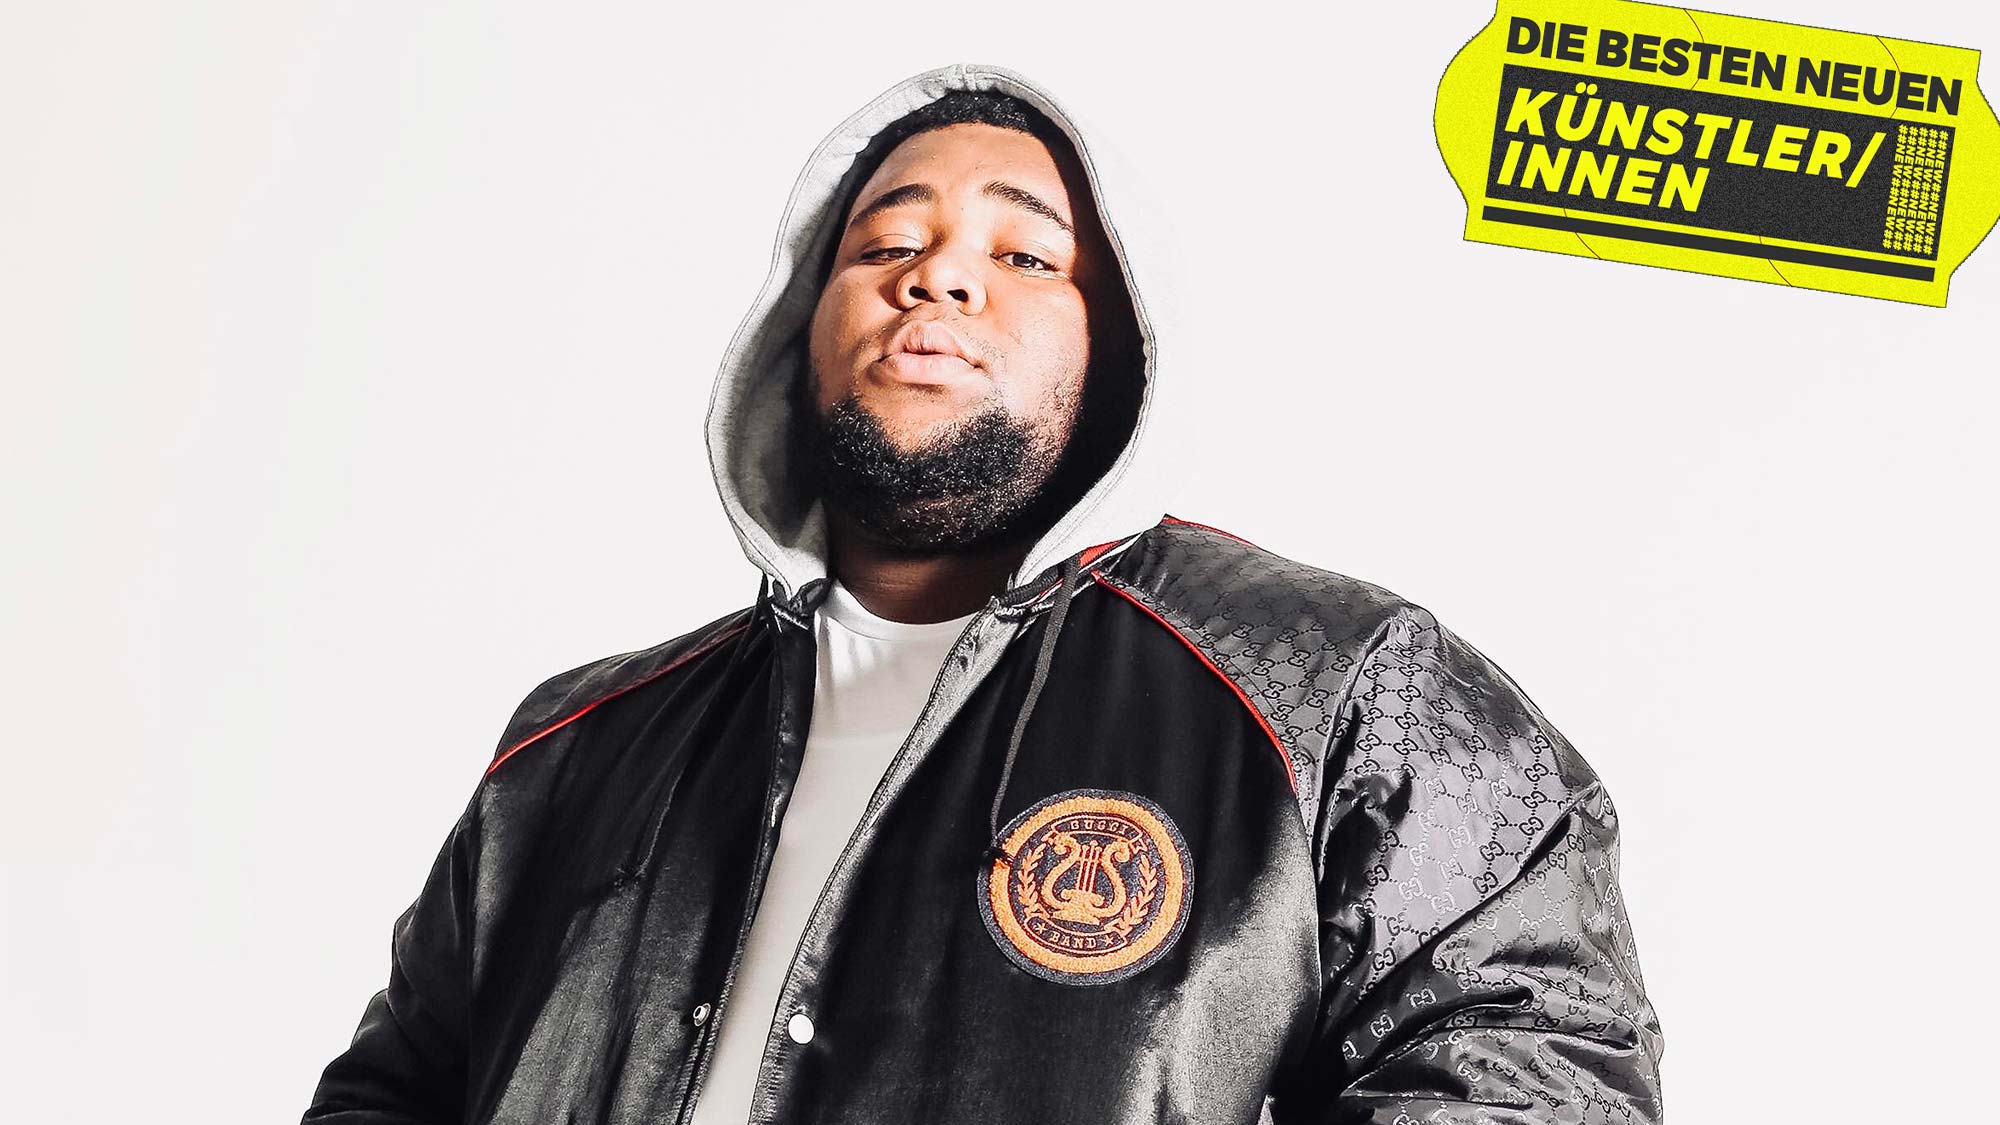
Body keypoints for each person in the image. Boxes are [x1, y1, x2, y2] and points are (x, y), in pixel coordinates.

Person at [304, 64, 1664, 1124]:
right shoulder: (573, 749)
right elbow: (390, 1093)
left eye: (1023, 256)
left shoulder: (1343, 688)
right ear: (796, 332)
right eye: (882, 242)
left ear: (1120, 348)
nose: (936, 273)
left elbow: (1533, 1069)